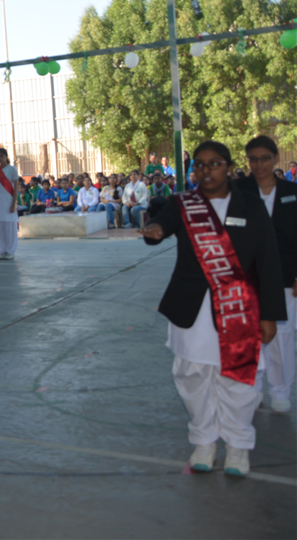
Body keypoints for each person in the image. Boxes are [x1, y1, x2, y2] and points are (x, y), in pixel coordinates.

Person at [139, 141, 285, 477]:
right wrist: (155, 231)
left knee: (239, 381)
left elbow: (268, 260)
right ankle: (204, 440)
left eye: (214, 163)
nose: (206, 170)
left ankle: (237, 446)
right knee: (191, 377)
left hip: (239, 308)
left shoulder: (250, 205)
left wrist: (270, 314)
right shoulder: (183, 203)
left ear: (229, 167)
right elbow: (160, 224)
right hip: (192, 310)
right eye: (200, 164)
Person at [238, 136, 297, 413]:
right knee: (248, 336)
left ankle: (280, 390)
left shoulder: (292, 192)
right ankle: (252, 389)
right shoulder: (237, 191)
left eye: (265, 158)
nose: (259, 164)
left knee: (281, 336)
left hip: (285, 277)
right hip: (246, 278)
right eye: (253, 158)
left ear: (275, 159)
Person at [0, 147, 19, 260]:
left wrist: (13, 203)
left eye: (2, 156)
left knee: (9, 228)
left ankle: (10, 251)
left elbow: (16, 188)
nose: (0, 158)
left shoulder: (12, 169)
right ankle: (2, 250)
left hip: (8, 201)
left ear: (6, 157)